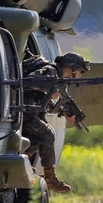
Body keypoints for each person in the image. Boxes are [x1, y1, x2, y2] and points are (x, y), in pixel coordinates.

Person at [21, 52, 92, 193]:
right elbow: (27, 82)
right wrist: (51, 89)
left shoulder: (58, 78)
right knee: (48, 135)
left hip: (30, 112)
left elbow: (44, 102)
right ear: (71, 68)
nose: (80, 75)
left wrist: (62, 111)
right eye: (80, 71)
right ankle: (50, 178)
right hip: (24, 112)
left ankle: (22, 165)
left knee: (37, 141)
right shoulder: (50, 71)